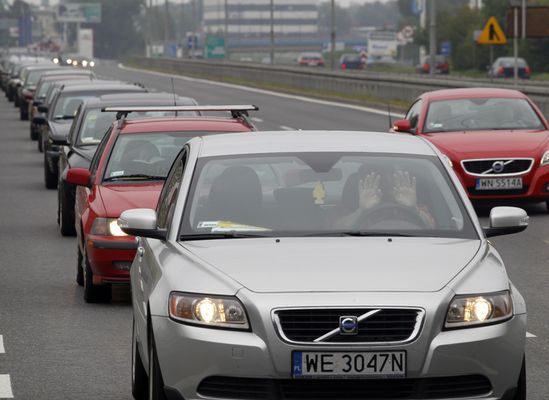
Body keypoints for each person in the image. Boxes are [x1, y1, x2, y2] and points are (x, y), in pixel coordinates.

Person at [333, 166, 435, 229]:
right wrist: (361, 210)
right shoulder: (348, 208)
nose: (385, 181)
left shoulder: (409, 202)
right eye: (376, 177)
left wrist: (413, 208)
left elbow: (431, 226)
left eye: (389, 175)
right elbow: (335, 229)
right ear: (361, 182)